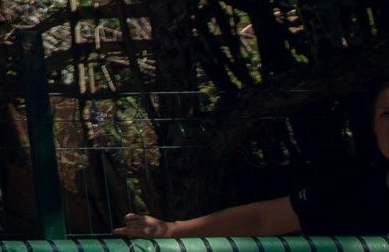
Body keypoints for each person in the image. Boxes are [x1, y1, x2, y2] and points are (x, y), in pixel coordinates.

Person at [119, 78, 389, 238]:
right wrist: (170, 230)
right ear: (372, 127)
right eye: (385, 114)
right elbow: (261, 219)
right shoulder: (353, 191)